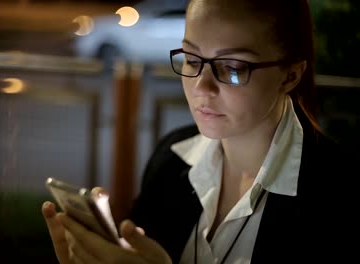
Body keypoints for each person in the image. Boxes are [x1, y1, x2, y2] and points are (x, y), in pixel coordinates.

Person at [42, 0, 357, 263]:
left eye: (232, 67)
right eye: (192, 59)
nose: (201, 86)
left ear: (290, 76)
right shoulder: (171, 160)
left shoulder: (337, 192)